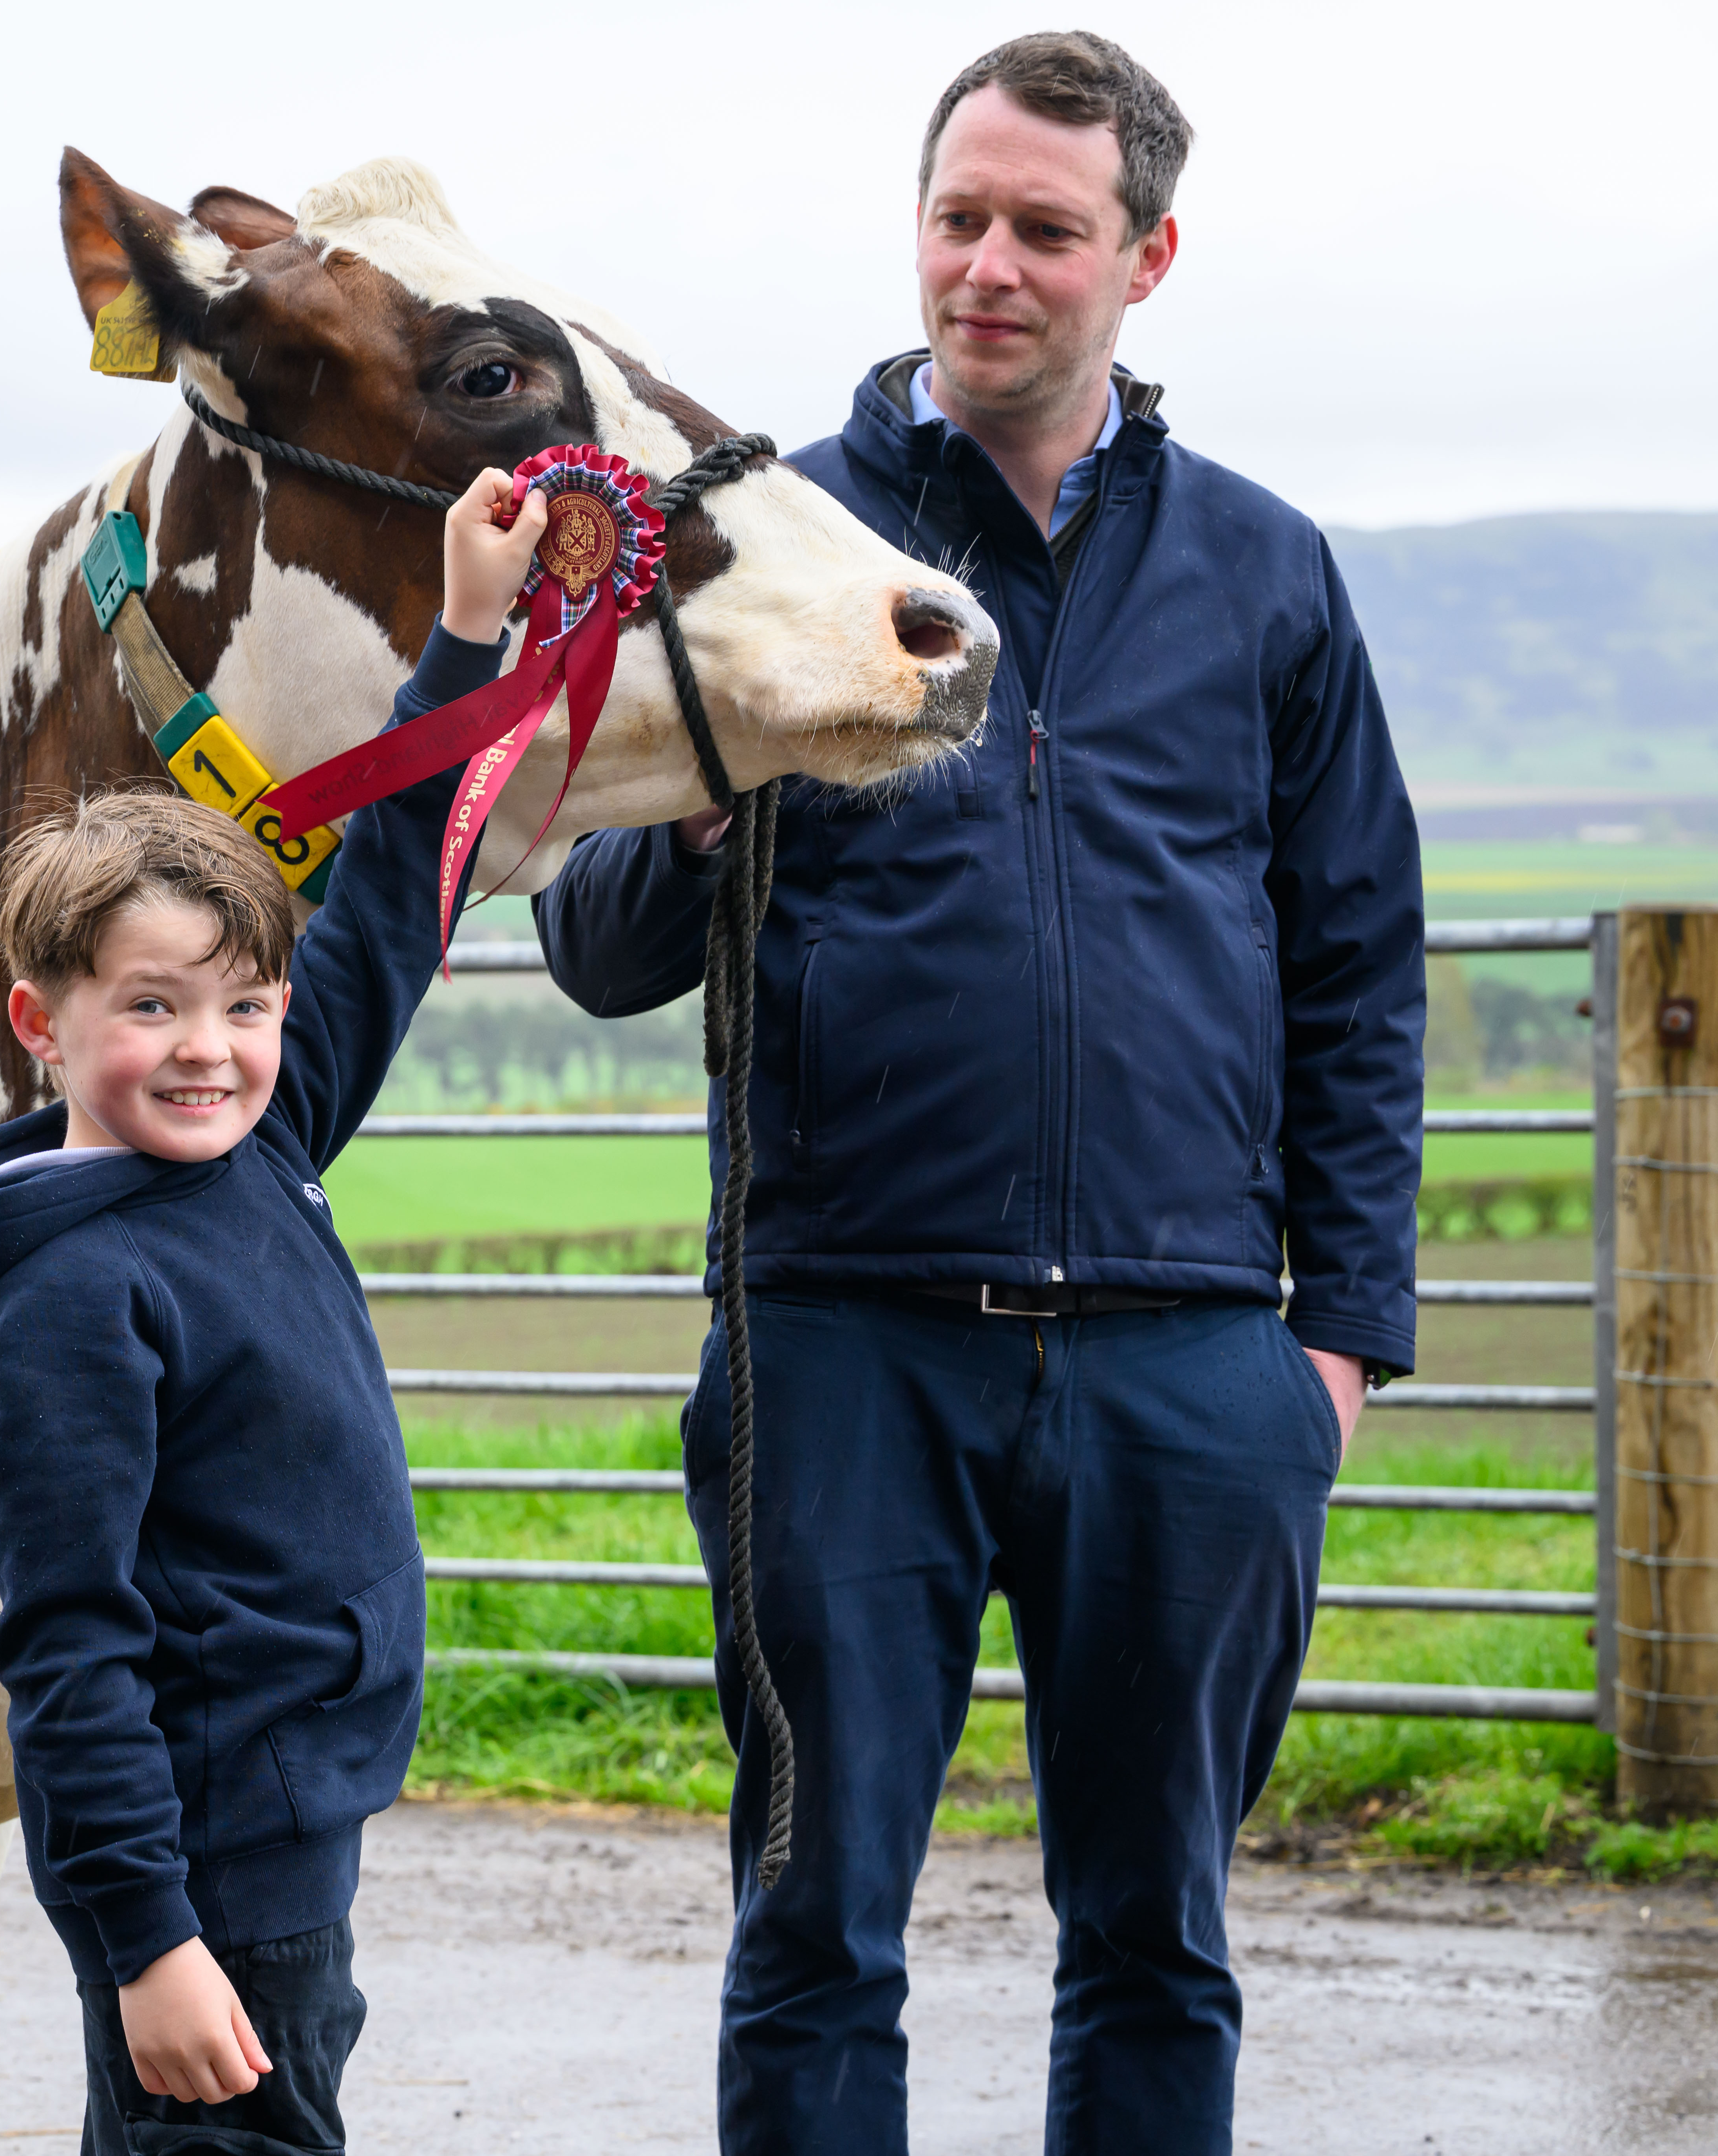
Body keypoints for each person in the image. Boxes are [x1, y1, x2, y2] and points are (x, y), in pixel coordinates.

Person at [533, 32, 1423, 2155]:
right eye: (959, 219)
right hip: (842, 1336)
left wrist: (1334, 1343)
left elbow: (1357, 961)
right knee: (817, 1927)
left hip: (1195, 1357)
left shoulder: (1265, 569)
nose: (990, 267)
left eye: (1047, 228)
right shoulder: (766, 545)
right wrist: (715, 760)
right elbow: (598, 956)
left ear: (1148, 255)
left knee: (1159, 1935)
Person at [0, 474, 551, 2154]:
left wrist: (466, 632)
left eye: (245, 1003)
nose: (209, 1048)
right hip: (208, 1875)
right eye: (151, 1005)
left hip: (289, 1839)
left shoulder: (269, 1134)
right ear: (42, 1019)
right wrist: (145, 1942)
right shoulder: (71, 1302)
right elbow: (70, 1650)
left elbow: (393, 890)